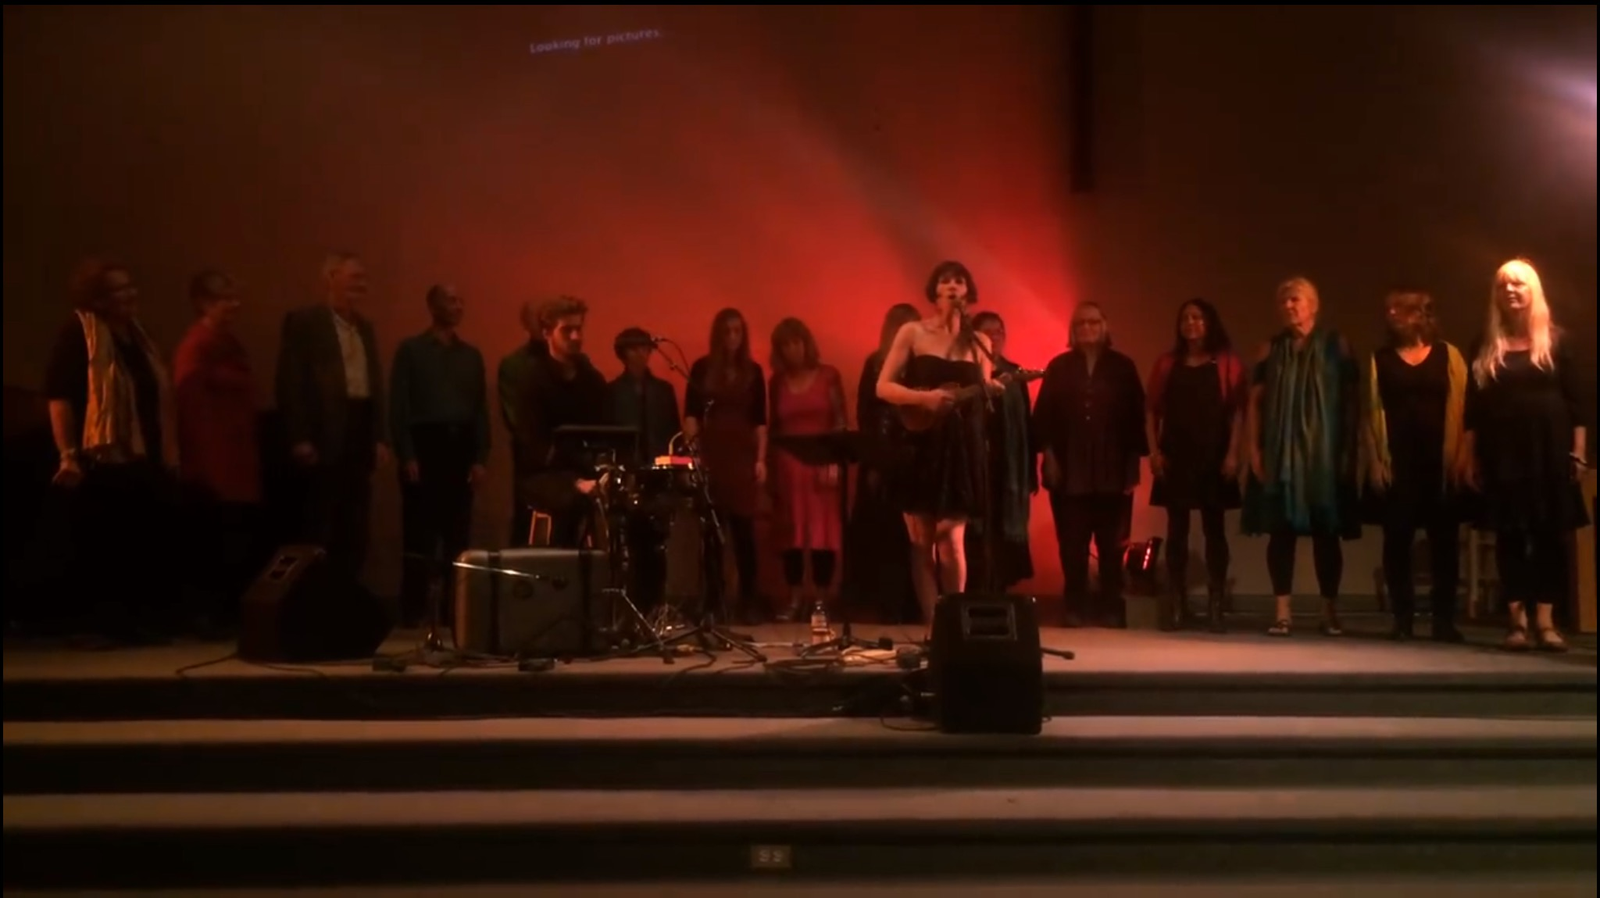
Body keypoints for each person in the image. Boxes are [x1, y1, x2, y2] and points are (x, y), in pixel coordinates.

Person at [43, 259, 180, 640]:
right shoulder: (79, 333)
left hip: (143, 454)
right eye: (119, 289)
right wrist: (67, 454)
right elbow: (59, 398)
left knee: (141, 541)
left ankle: (139, 620)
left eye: (130, 286)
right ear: (98, 298)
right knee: (106, 542)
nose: (130, 294)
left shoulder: (139, 335)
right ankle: (104, 624)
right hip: (101, 457)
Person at [1457, 259, 1588, 652]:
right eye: (1503, 285)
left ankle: (1546, 621)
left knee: (1550, 535)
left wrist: (1578, 453)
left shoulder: (1557, 340)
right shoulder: (1485, 343)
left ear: (1534, 291)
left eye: (1518, 284)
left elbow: (1577, 403)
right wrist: (1469, 455)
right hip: (1503, 453)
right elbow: (1473, 408)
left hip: (1549, 450)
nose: (1510, 290)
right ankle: (1516, 622)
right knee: (1510, 536)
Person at [874, 260, 995, 626]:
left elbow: (981, 397)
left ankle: (954, 623)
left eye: (960, 281)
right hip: (919, 442)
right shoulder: (913, 332)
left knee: (952, 540)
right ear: (935, 291)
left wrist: (989, 391)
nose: (953, 286)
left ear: (968, 292)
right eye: (946, 281)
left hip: (959, 446)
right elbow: (883, 386)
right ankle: (932, 624)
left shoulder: (980, 342)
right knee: (922, 540)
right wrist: (922, 399)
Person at [1242, 277, 1361, 638]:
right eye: (1283, 301)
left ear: (1313, 305)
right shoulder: (1270, 349)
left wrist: (1349, 450)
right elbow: (1254, 403)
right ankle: (1282, 613)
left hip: (1323, 454)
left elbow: (1352, 401)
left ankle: (1329, 612)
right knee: (1281, 533)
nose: (1288, 306)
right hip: (1280, 452)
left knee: (1327, 533)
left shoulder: (1336, 345)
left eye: (1295, 299)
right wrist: (1254, 450)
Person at [274, 252, 390, 584]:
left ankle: (346, 591)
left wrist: (379, 437)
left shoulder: (364, 328)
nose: (361, 285)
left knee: (355, 521)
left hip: (359, 430)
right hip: (324, 433)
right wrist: (299, 436)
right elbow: (290, 381)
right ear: (331, 278)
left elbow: (374, 384)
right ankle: (315, 594)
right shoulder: (306, 322)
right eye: (354, 277)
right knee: (320, 520)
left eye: (363, 278)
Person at [1361, 289, 1467, 643]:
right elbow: (1370, 413)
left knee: (1445, 544)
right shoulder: (1381, 359)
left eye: (1400, 309)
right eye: (1388, 309)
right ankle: (1402, 619)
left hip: (1439, 463)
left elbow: (1465, 409)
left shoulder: (1448, 355)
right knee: (1396, 541)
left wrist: (1463, 456)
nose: (1391, 314)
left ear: (1421, 315)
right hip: (1398, 462)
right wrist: (1374, 461)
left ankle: (1443, 620)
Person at [1033, 301, 1147, 628]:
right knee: (1072, 544)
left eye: (1093, 322)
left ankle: (1110, 606)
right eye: (1081, 323)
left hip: (1113, 467)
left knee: (1112, 545)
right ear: (1073, 330)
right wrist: (1049, 457)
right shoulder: (1059, 367)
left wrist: (1132, 468)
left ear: (1104, 326)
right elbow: (1044, 417)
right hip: (1069, 468)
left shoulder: (1122, 367)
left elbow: (1135, 419)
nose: (1087, 328)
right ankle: (1075, 606)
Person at [388, 285, 489, 628]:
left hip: (459, 447)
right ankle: (414, 611)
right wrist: (407, 453)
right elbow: (399, 406)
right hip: (425, 446)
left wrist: (480, 457)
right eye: (450, 300)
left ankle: (454, 611)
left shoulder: (470, 356)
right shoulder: (412, 351)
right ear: (432, 306)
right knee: (419, 534)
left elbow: (479, 410)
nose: (458, 306)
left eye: (461, 300)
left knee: (458, 535)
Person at [1145, 298, 1246, 632]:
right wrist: (1154, 452)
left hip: (1214, 455)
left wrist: (1233, 454)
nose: (1190, 323)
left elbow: (1238, 413)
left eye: (1197, 317)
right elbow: (1151, 411)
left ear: (1209, 323)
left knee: (1214, 529)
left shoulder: (1227, 362)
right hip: (1176, 454)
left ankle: (1216, 605)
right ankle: (1178, 603)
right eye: (1185, 318)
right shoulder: (1167, 363)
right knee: (1177, 529)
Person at [172, 270, 261, 630]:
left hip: (237, 458)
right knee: (216, 541)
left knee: (236, 539)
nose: (234, 304)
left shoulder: (229, 342)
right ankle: (209, 616)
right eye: (225, 298)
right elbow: (189, 406)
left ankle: (226, 614)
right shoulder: (197, 345)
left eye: (235, 297)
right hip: (213, 461)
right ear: (203, 303)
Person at [684, 308, 767, 621]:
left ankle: (749, 600)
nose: (733, 337)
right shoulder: (702, 368)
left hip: (743, 456)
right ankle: (713, 601)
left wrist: (761, 459)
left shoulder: (753, 372)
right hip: (713, 455)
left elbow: (760, 421)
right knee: (712, 533)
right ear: (718, 335)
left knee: (745, 532)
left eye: (738, 331)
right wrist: (694, 455)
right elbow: (691, 415)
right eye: (727, 331)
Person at [508, 295, 609, 548]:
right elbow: (533, 448)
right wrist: (575, 482)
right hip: (544, 476)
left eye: (579, 329)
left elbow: (606, 432)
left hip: (586, 471)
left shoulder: (592, 380)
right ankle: (565, 566)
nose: (576, 336)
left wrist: (605, 471)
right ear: (546, 333)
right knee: (570, 502)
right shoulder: (532, 381)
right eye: (567, 330)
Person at [842, 303, 921, 623]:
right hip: (883, 454)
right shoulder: (875, 363)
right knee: (883, 532)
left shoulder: (922, 365)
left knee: (914, 536)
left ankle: (912, 602)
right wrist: (874, 460)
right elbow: (867, 414)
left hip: (915, 455)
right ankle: (887, 602)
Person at [767, 317, 846, 621]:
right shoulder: (777, 382)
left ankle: (822, 601)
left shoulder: (828, 375)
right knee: (792, 534)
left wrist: (834, 459)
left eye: (796, 342)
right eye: (785, 345)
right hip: (788, 466)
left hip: (821, 462)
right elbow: (774, 426)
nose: (792, 350)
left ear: (806, 343)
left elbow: (840, 420)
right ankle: (795, 598)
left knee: (824, 533)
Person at [965, 311, 1037, 592]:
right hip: (974, 465)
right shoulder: (966, 373)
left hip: (1007, 466)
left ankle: (999, 592)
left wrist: (1029, 471)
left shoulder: (1014, 374)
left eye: (999, 331)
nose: (994, 337)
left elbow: (1025, 427)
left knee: (1002, 534)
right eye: (988, 332)